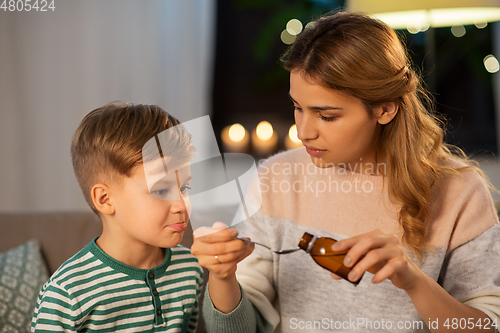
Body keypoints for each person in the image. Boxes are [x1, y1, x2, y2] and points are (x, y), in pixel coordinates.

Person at [191, 11, 500, 333]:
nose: (304, 132)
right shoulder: (276, 178)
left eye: (326, 116)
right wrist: (223, 276)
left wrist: (413, 281)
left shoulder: (459, 191)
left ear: (384, 109)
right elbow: (238, 329)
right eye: (298, 108)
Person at [31, 103, 203, 332]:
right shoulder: (67, 293)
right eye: (161, 191)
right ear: (104, 199)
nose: (181, 205)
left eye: (185, 188)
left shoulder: (191, 269)